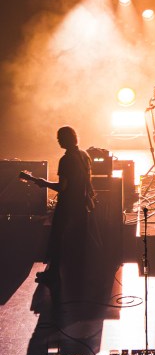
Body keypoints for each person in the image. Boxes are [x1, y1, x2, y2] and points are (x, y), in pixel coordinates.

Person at [23, 126, 96, 303]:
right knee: (80, 239)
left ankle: (53, 275)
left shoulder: (66, 160)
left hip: (68, 204)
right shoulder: (84, 155)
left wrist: (41, 182)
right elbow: (88, 180)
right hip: (81, 204)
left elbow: (62, 187)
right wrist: (89, 197)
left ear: (67, 138)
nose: (58, 140)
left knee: (57, 238)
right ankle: (80, 275)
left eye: (59, 137)